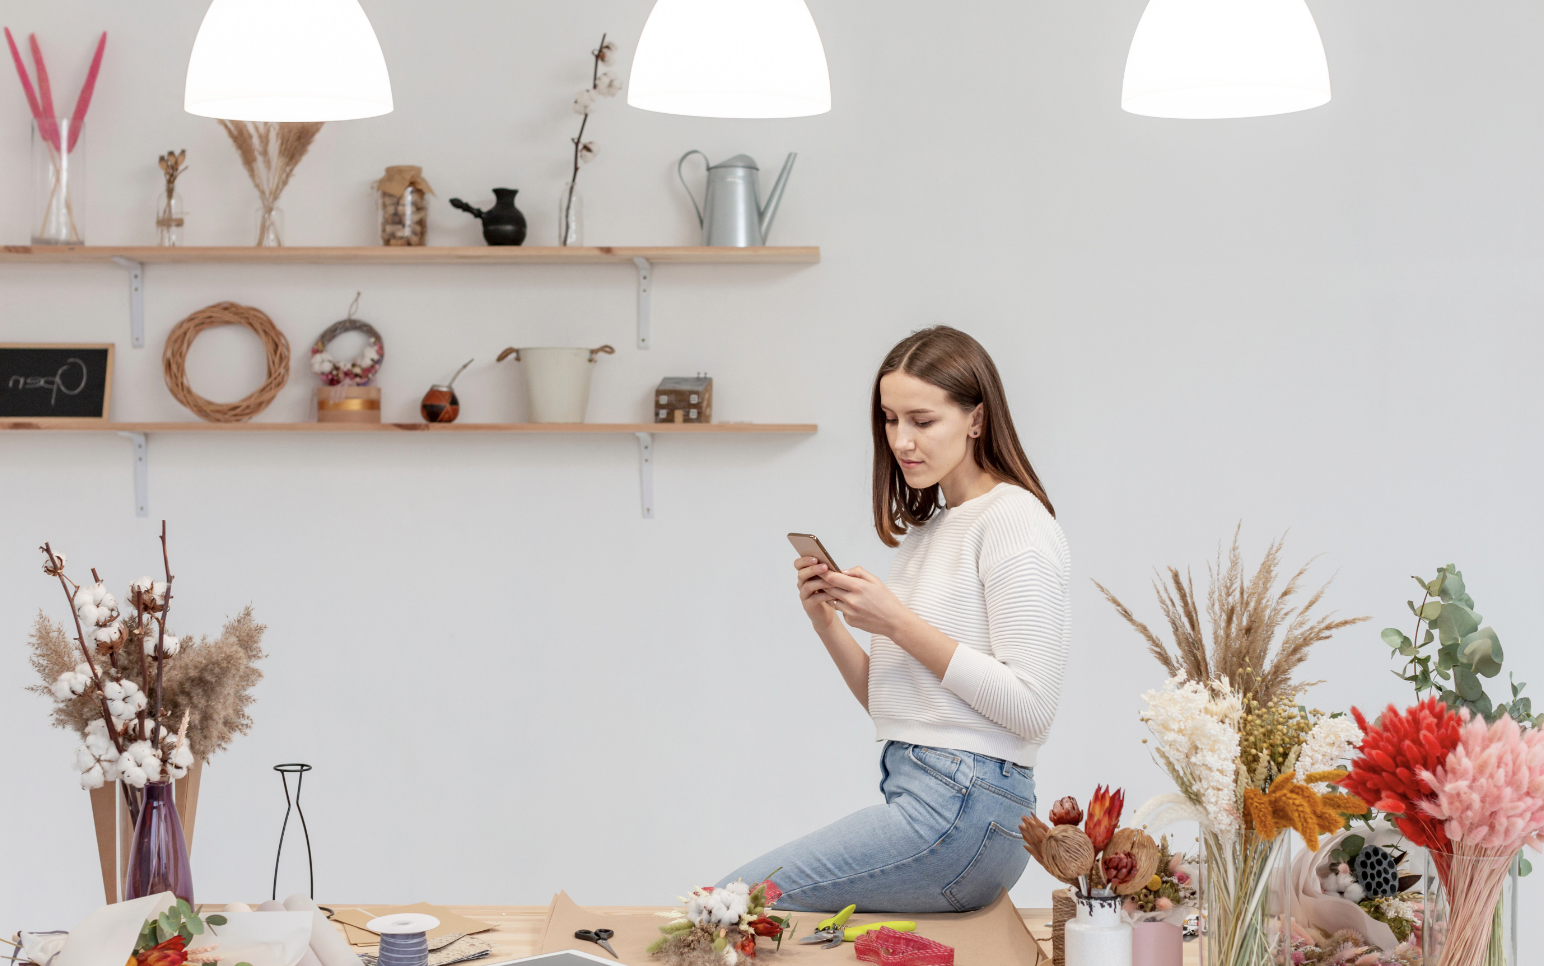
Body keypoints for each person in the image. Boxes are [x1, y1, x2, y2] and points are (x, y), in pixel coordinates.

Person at [716, 326, 1071, 913]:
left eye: (922, 421)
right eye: (889, 419)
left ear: (976, 420)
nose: (901, 440)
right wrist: (828, 622)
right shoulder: (932, 530)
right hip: (936, 799)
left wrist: (897, 622)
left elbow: (1032, 709)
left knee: (728, 906)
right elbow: (898, 707)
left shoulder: (1014, 520)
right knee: (738, 911)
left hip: (965, 809)